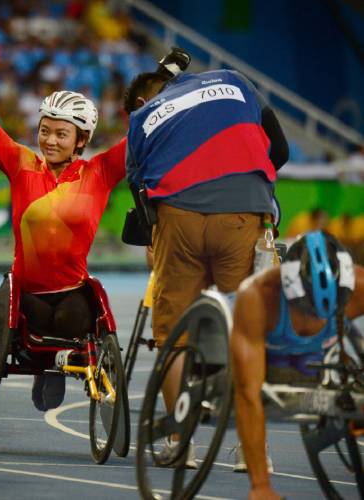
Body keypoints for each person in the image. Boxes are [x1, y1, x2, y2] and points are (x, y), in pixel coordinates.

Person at [0, 25, 128, 412]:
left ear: (81, 140)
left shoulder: (99, 173)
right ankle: (46, 364)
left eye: (61, 134)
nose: (50, 140)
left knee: (75, 319)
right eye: (45, 131)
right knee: (34, 323)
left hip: (72, 291)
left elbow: (142, 135)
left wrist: (163, 84)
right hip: (27, 294)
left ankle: (53, 368)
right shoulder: (21, 163)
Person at [124, 48, 289, 460]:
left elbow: (140, 192)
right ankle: (252, 449)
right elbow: (280, 149)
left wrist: (154, 240)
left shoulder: (142, 118)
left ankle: (180, 442)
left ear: (145, 99)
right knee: (247, 329)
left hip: (178, 217)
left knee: (172, 335)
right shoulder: (233, 80)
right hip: (242, 212)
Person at [230, 231, 364, 500]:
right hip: (267, 360)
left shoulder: (359, 288)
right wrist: (260, 486)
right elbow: (247, 395)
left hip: (317, 363)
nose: (314, 316)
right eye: (306, 308)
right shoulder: (257, 298)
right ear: (287, 286)